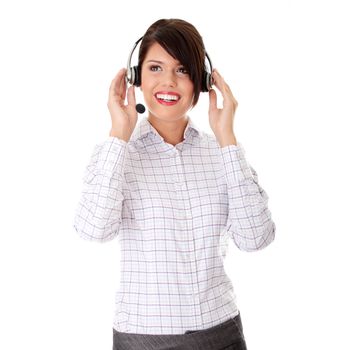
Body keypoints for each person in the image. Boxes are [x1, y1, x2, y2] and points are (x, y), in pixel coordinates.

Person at [73, 18, 276, 350]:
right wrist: (119, 133)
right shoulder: (117, 153)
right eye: (155, 67)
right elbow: (93, 230)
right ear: (135, 77)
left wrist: (227, 138)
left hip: (221, 333)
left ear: (202, 81)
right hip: (143, 338)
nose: (168, 81)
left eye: (182, 70)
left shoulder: (221, 153)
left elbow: (256, 239)